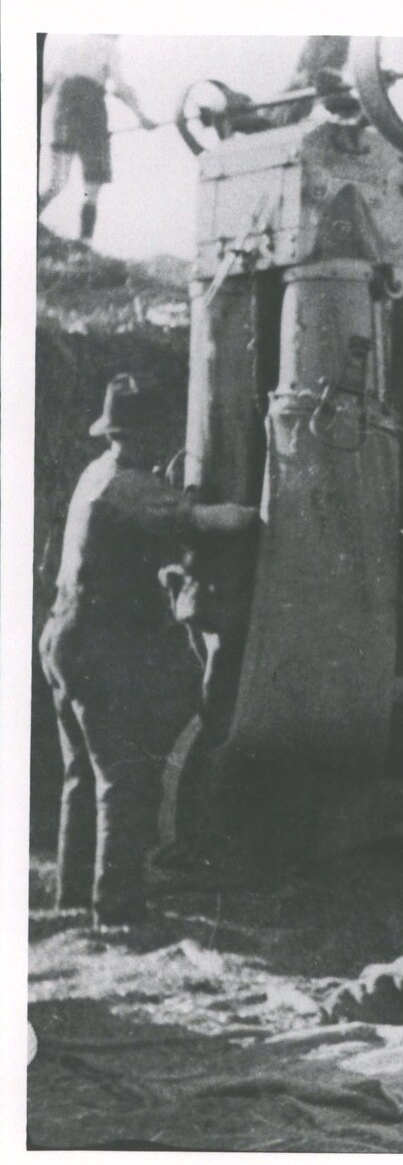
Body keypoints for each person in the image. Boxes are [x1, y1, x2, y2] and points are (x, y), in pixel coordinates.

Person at [39, 376, 259, 928]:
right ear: (144, 436)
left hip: (62, 637)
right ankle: (117, 909)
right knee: (124, 777)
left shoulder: (98, 473)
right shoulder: (132, 486)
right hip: (95, 640)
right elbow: (214, 522)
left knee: (81, 777)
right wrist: (260, 512)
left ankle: (73, 899)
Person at [39, 34, 155, 243]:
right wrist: (142, 117)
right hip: (90, 111)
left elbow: (47, 86)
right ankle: (85, 242)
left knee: (56, 183)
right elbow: (121, 86)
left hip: (64, 108)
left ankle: (30, 221)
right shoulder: (107, 46)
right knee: (93, 183)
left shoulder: (71, 44)